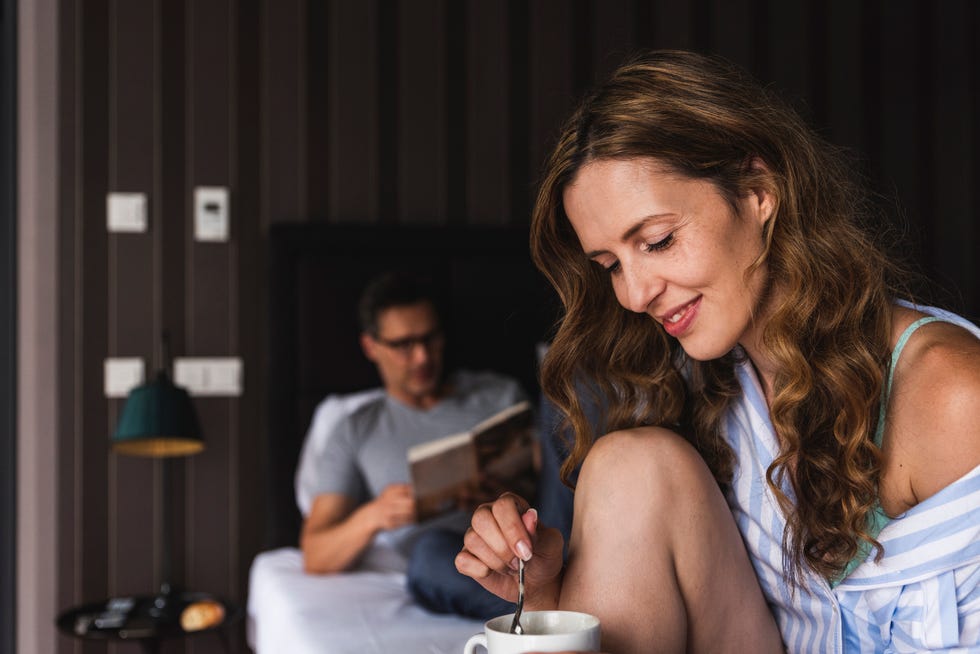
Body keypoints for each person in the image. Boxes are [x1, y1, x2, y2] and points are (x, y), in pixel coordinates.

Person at [455, 49, 980, 653]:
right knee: (627, 465)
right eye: (609, 266)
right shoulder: (709, 387)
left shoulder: (948, 392)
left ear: (758, 192)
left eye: (657, 240)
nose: (634, 294)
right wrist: (545, 595)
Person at [299, 271, 523, 619]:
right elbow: (315, 554)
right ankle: (550, 612)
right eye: (404, 345)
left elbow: (558, 482)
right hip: (449, 555)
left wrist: (504, 493)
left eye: (430, 339)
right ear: (371, 347)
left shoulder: (500, 395)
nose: (422, 357)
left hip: (531, 535)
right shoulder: (355, 428)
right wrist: (374, 516)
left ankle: (550, 606)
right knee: (430, 551)